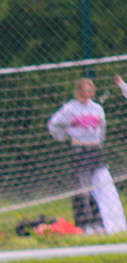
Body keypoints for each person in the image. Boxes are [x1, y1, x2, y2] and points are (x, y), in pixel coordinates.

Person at [47, 78, 111, 234]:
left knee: (98, 187)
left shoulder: (97, 108)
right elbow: (53, 124)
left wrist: (98, 141)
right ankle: (84, 223)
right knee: (83, 189)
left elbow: (102, 128)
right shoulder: (70, 108)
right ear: (77, 91)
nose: (86, 94)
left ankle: (98, 222)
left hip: (95, 151)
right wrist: (65, 137)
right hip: (79, 151)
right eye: (82, 90)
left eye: (89, 90)